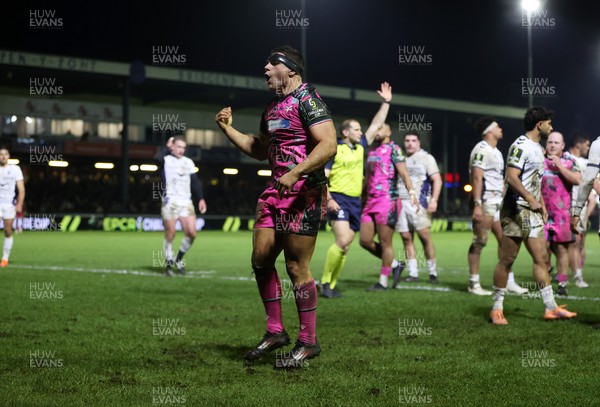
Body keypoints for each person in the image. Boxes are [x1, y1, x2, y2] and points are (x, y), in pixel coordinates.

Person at [215, 45, 337, 368]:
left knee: (296, 267)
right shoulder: (271, 108)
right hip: (275, 192)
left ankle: (308, 342)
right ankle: (275, 331)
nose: (265, 69)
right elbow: (258, 148)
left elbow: (329, 144)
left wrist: (296, 172)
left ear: (291, 69)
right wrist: (227, 129)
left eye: (272, 64)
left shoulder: (308, 101)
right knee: (260, 258)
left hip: (304, 192)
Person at [489, 106, 576, 325]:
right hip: (515, 210)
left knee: (543, 259)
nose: (551, 127)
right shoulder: (520, 146)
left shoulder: (538, 148)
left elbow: (535, 182)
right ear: (540, 125)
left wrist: (542, 205)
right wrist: (531, 199)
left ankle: (551, 308)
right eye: (549, 123)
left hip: (534, 211)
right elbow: (511, 177)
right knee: (508, 259)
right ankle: (496, 308)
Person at [320, 82, 396, 298]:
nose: (360, 131)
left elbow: (376, 124)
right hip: (339, 199)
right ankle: (324, 282)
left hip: (356, 202)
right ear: (345, 132)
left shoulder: (360, 146)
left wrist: (386, 102)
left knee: (346, 245)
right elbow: (322, 177)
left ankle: (330, 286)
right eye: (356, 129)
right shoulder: (335, 149)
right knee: (342, 240)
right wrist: (329, 199)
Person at [467, 117, 527, 296]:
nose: (501, 129)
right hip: (485, 201)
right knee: (480, 241)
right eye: (498, 126)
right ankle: (474, 283)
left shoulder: (497, 152)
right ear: (489, 131)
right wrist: (477, 204)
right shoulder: (481, 149)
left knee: (505, 241)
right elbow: (477, 178)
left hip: (497, 202)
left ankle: (509, 281)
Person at [361, 123, 417, 291]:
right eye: (375, 129)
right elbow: (368, 176)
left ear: (389, 131)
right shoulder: (371, 150)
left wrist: (412, 192)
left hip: (388, 200)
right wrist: (361, 195)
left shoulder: (394, 149)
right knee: (365, 241)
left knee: (386, 243)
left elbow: (404, 173)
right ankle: (394, 264)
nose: (377, 132)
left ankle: (383, 281)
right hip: (370, 201)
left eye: (380, 128)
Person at [394, 133, 442, 284]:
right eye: (407, 140)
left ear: (419, 143)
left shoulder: (426, 158)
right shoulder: (400, 158)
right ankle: (413, 273)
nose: (410, 143)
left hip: (419, 203)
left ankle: (432, 272)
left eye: (413, 141)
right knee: (406, 238)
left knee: (424, 237)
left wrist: (434, 200)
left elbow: (437, 180)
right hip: (401, 202)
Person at [157, 136, 207, 277]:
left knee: (191, 233)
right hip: (170, 201)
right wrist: (165, 148)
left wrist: (201, 198)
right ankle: (168, 265)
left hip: (186, 202)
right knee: (170, 234)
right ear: (172, 146)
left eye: (183, 147)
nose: (181, 150)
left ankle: (178, 259)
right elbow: (156, 159)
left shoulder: (188, 162)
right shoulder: (166, 159)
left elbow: (195, 181)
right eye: (178, 146)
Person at [541, 132, 581, 296]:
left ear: (563, 145)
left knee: (562, 249)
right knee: (542, 248)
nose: (552, 145)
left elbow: (578, 180)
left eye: (556, 143)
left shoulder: (570, 161)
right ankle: (547, 273)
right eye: (550, 142)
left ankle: (562, 284)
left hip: (561, 214)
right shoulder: (539, 159)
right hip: (542, 214)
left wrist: (560, 167)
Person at [567, 133, 594, 288]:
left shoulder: (585, 162)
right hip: (569, 207)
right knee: (572, 244)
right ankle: (576, 276)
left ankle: (575, 273)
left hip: (581, 209)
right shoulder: (567, 159)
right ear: (579, 145)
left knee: (579, 244)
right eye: (587, 145)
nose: (588, 148)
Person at [0, 147, 25, 267]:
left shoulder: (15, 169)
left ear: (9, 156)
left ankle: (5, 259)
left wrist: (19, 203)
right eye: (1, 154)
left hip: (9, 204)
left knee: (7, 230)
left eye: (5, 154)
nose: (3, 156)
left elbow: (21, 189)